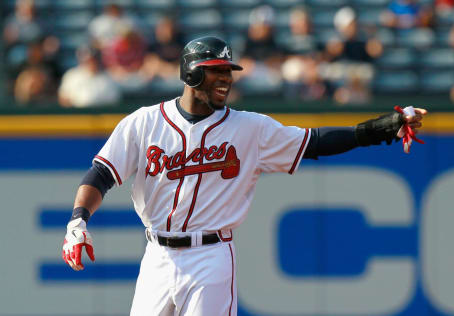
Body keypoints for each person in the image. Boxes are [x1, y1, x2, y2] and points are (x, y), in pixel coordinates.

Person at [61, 36, 427, 315]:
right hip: (156, 256)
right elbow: (100, 175)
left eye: (227, 71)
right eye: (215, 70)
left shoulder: (249, 129)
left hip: (211, 257)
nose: (225, 78)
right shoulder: (143, 123)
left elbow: (314, 143)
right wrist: (78, 221)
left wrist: (379, 129)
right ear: (191, 73)